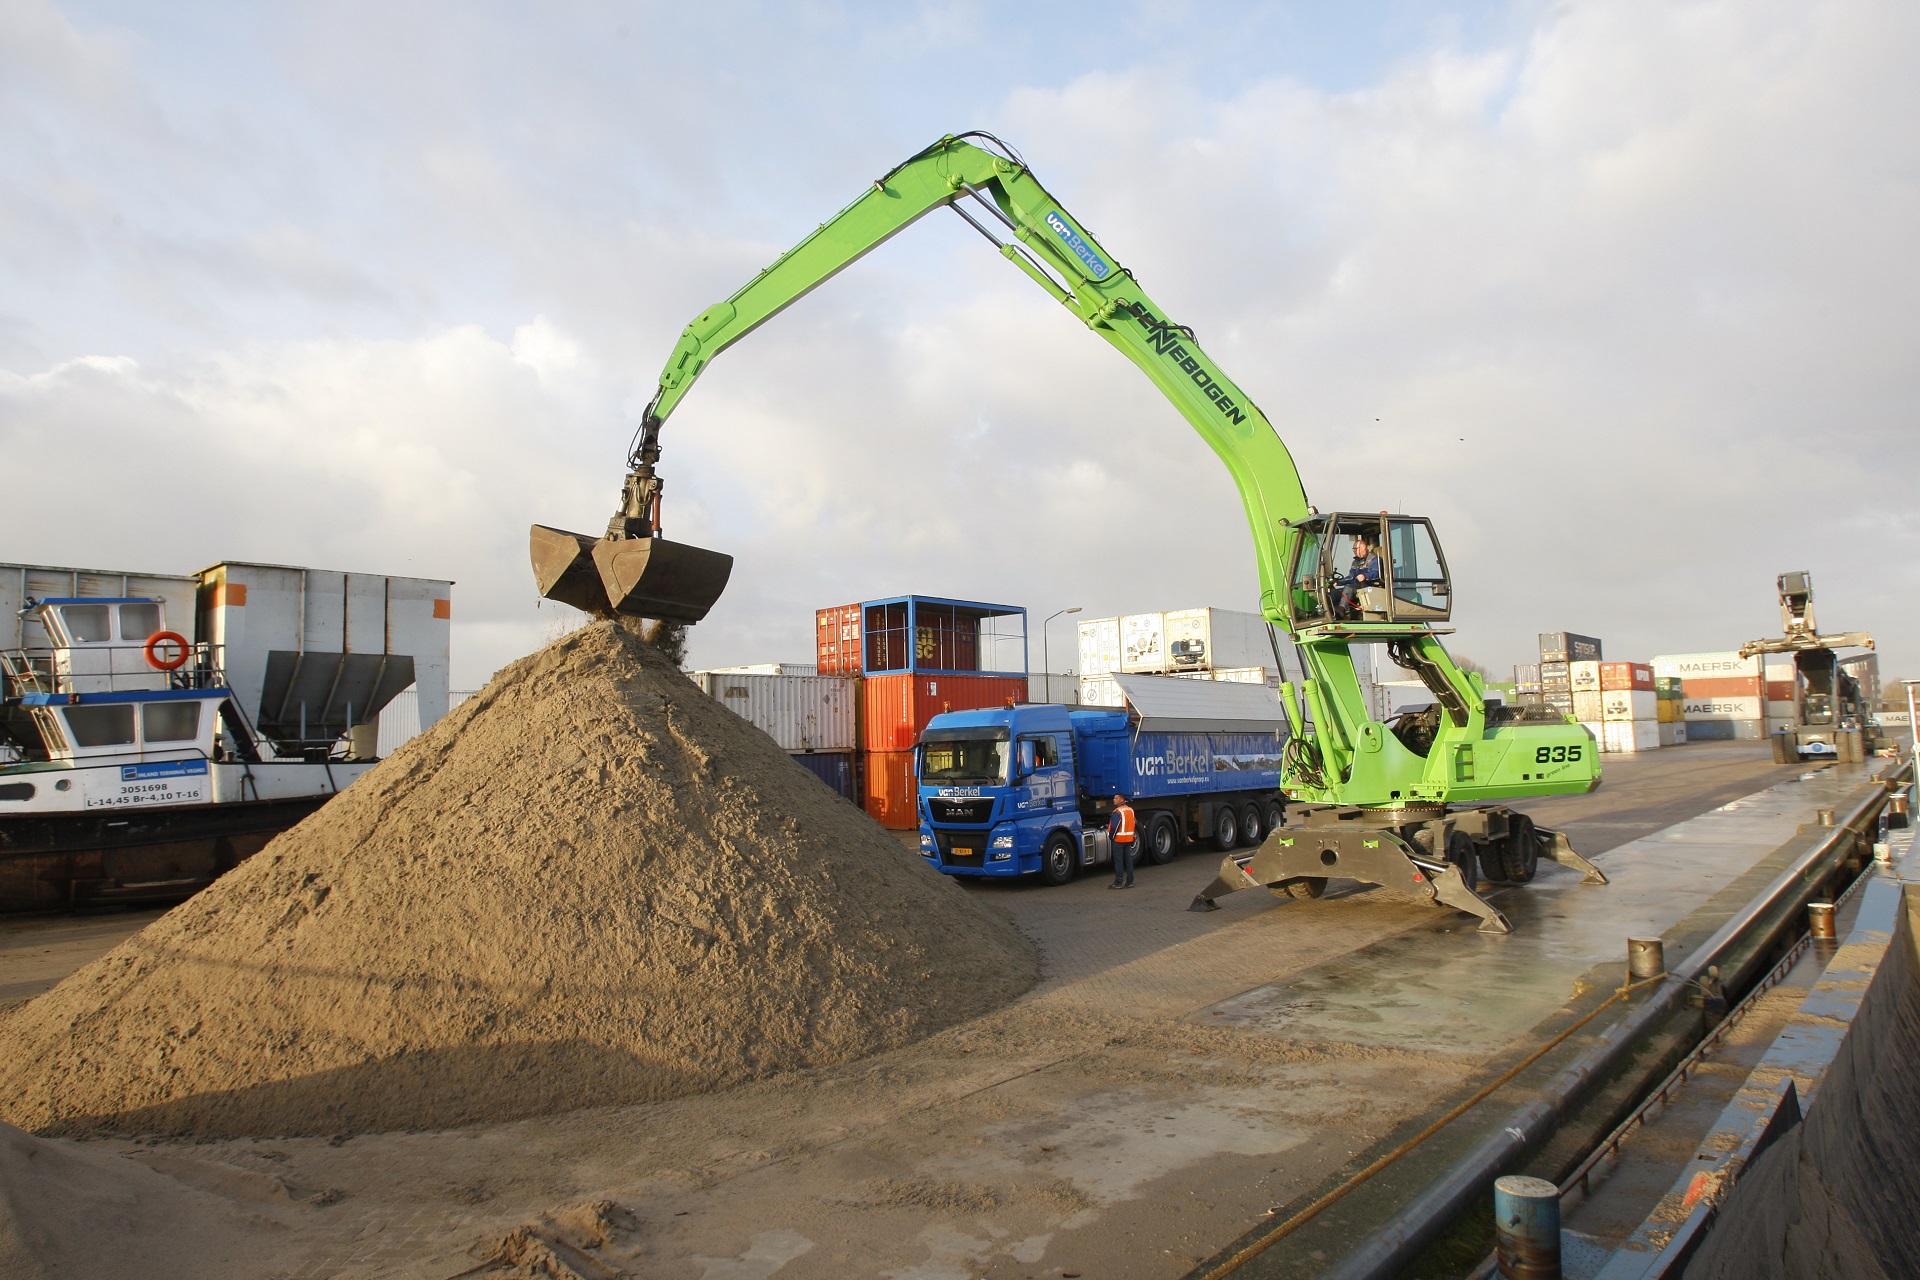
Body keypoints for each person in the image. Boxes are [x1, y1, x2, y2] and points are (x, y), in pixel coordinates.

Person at [1333, 530, 1383, 617]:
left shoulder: (1374, 560)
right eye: (1353, 549)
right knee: (1335, 592)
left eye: (1355, 549)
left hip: (1369, 585)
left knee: (1348, 588)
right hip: (1357, 585)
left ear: (1363, 548)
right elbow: (1351, 577)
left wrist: (1365, 576)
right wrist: (1338, 582)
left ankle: (1342, 609)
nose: (1354, 551)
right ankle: (1333, 611)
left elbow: (1376, 573)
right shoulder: (1355, 562)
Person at [1108, 793, 1137, 889]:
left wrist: (1111, 837)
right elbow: (1134, 823)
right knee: (1129, 861)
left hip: (1119, 840)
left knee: (1119, 861)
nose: (1113, 799)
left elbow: (1114, 827)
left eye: (1116, 798)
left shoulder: (1118, 812)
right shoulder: (1130, 810)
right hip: (1128, 839)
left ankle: (1118, 882)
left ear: (1121, 800)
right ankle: (1130, 882)